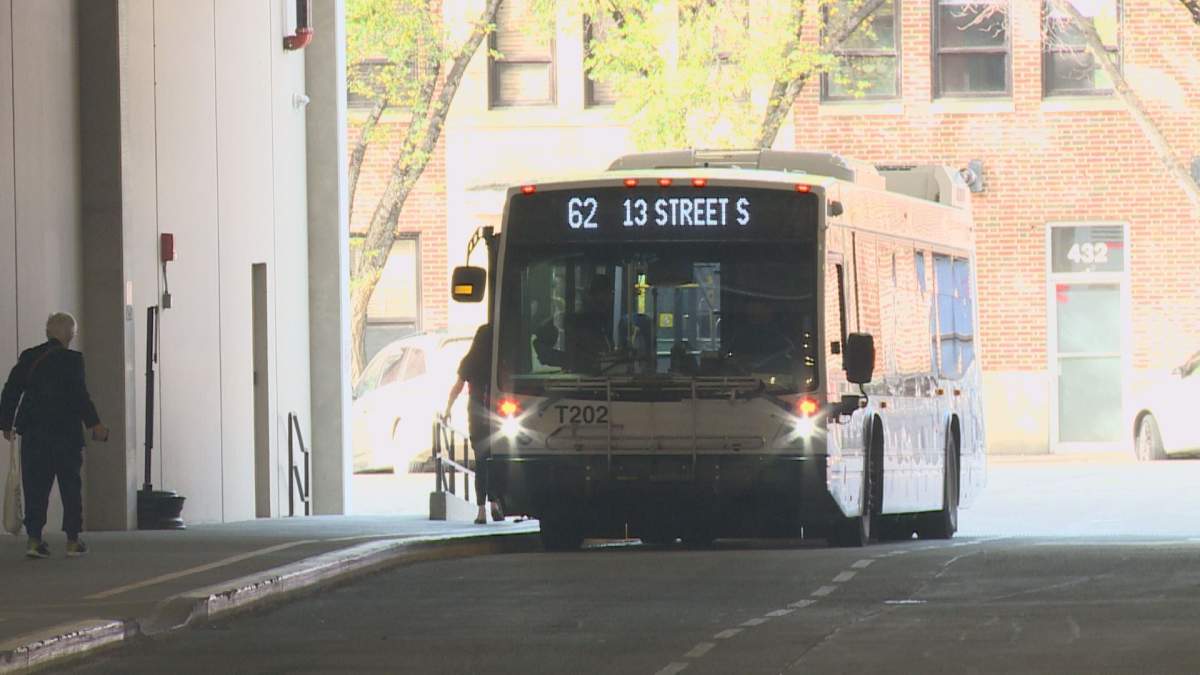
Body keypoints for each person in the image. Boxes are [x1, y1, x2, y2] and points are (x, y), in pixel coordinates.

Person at [1, 313, 107, 559]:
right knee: (70, 486)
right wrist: (95, 424)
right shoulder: (73, 360)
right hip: (66, 434)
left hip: (34, 434)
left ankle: (34, 540)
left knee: (35, 486)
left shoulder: (29, 357)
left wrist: (7, 423)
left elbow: (11, 389)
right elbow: (80, 396)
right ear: (70, 334)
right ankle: (72, 540)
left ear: (48, 332)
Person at [444, 324, 503, 525]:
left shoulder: (470, 361)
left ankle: (481, 512)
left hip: (476, 414)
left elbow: (457, 388)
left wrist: (448, 409)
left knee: (480, 461)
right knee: (495, 460)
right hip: (497, 414)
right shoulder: (498, 359)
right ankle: (495, 505)